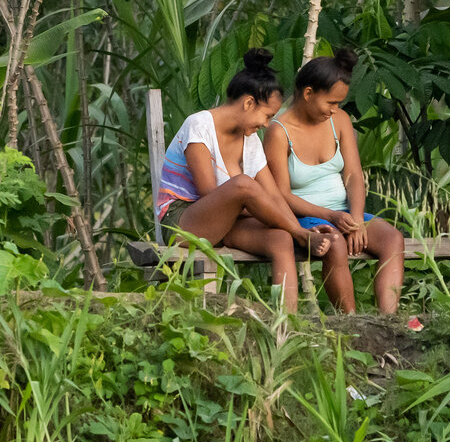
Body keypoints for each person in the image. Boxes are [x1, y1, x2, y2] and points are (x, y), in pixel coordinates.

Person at [155, 49, 340, 313]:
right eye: (266, 116)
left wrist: (285, 223)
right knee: (243, 184)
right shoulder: (199, 125)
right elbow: (211, 194)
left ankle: (287, 327)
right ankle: (300, 235)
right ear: (248, 103)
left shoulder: (250, 140)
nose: (267, 125)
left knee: (279, 239)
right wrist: (296, 229)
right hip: (182, 222)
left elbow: (273, 196)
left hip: (226, 223)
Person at [264, 49, 405, 314]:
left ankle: (389, 321)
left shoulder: (339, 120)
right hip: (305, 217)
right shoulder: (278, 130)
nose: (335, 109)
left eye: (339, 103)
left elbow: (353, 175)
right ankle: (351, 322)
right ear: (308, 94)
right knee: (335, 243)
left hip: (345, 213)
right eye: (330, 102)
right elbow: (281, 194)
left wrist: (357, 218)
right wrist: (331, 216)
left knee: (393, 239)